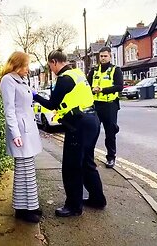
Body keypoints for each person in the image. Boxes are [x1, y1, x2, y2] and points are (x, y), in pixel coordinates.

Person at [33, 48, 106, 217]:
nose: (51, 70)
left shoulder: (65, 79)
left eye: (50, 66)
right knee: (87, 163)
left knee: (71, 166)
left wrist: (34, 95)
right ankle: (97, 199)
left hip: (79, 125)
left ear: (54, 62)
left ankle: (73, 207)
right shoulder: (77, 74)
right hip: (91, 120)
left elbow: (51, 104)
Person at [0, 51, 43, 223]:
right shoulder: (8, 80)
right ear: (16, 64)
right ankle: (23, 210)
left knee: (27, 170)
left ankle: (29, 206)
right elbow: (9, 110)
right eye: (26, 65)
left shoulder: (22, 80)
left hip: (28, 130)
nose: (28, 69)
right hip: (20, 132)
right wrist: (15, 134)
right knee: (23, 170)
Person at [87, 46, 123, 168]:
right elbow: (86, 86)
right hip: (96, 105)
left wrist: (102, 90)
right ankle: (89, 158)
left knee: (110, 133)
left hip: (110, 105)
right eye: (101, 56)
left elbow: (119, 87)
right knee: (92, 132)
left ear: (110, 56)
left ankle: (111, 158)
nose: (103, 58)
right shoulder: (94, 70)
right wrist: (92, 90)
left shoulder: (115, 70)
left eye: (105, 56)